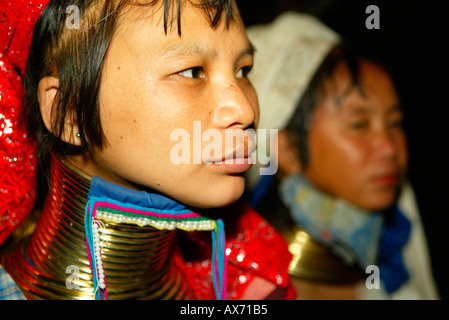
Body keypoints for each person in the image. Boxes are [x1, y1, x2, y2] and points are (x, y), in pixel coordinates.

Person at [0, 0, 295, 300]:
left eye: (244, 71)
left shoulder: (253, 290)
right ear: (69, 112)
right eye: (192, 72)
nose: (244, 110)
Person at [246, 12, 439, 300]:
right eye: (359, 124)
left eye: (395, 123)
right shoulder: (241, 289)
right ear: (287, 151)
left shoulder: (393, 275)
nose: (389, 147)